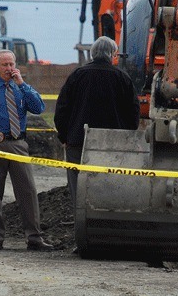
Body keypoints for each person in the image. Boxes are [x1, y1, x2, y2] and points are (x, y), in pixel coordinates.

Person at [0, 49, 55, 252]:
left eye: (12, 64)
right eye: (4, 65)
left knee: (28, 191)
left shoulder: (21, 88)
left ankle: (34, 237)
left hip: (18, 143)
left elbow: (39, 108)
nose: (9, 68)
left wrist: (22, 84)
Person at [54, 36, 140, 205]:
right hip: (113, 144)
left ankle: (81, 222)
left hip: (78, 141)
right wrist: (127, 138)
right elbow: (133, 112)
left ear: (92, 54)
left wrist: (65, 137)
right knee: (110, 186)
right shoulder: (122, 78)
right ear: (113, 55)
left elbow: (62, 109)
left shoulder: (77, 75)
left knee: (78, 188)